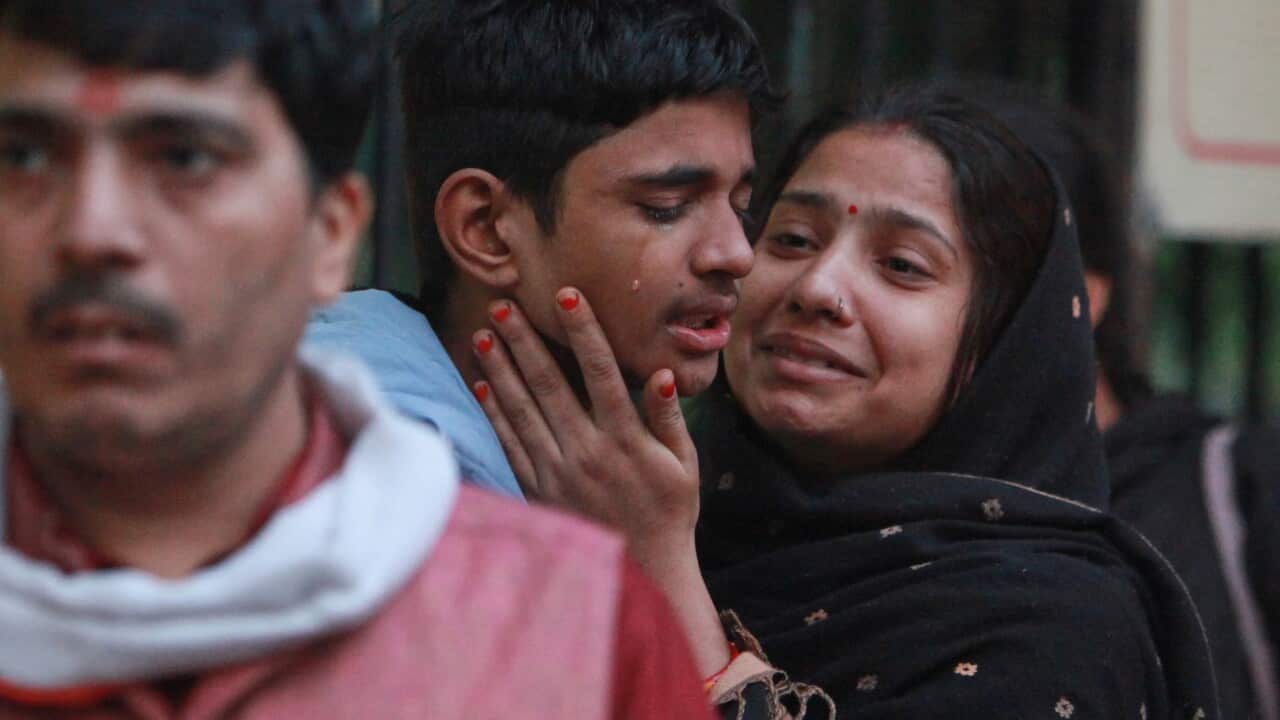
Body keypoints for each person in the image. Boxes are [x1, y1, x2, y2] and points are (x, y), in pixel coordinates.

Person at [0, 2, 717, 718]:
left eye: (184, 158)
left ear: (331, 234)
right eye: (22, 155)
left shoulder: (579, 630)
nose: (91, 231)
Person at [473, 86, 1221, 718]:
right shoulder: (655, 507)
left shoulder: (1060, 626)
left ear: (1002, 344)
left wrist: (665, 586)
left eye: (901, 265)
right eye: (792, 238)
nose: (818, 289)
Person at [304, 0, 779, 499]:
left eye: (741, 206)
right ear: (485, 228)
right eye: (668, 205)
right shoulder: (368, 487)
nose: (736, 254)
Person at [977, 81, 1280, 720]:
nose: (833, 294)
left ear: (1082, 293)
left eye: (907, 264)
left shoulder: (1237, 491)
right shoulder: (874, 518)